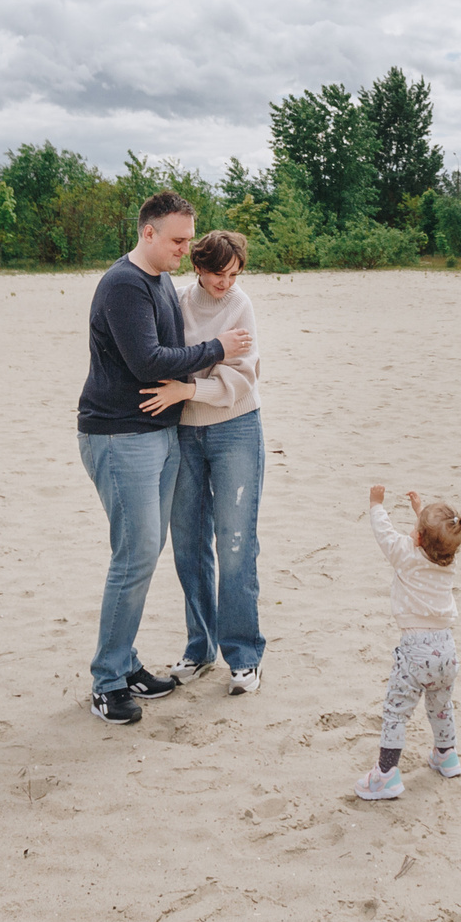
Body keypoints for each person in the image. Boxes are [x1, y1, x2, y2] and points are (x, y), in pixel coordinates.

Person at [76, 191, 252, 727]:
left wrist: (191, 384)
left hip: (157, 434)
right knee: (133, 557)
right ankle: (107, 681)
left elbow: (174, 367)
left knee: (146, 550)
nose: (184, 249)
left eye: (186, 239)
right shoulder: (124, 284)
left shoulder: (156, 281)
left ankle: (125, 663)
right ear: (148, 233)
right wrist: (219, 350)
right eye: (177, 240)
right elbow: (148, 361)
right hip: (119, 436)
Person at [145, 228, 267, 695]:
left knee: (235, 543)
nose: (227, 283)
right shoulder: (174, 301)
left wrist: (189, 386)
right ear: (198, 267)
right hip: (182, 432)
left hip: (237, 427)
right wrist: (198, 368)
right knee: (190, 545)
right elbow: (166, 359)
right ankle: (199, 650)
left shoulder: (242, 304)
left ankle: (244, 655)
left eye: (235, 273)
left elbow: (240, 378)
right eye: (218, 273)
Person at [354, 483, 461, 800]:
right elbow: (436, 538)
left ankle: (386, 775)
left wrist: (376, 504)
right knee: (441, 706)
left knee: (396, 712)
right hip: (447, 650)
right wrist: (420, 512)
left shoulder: (406, 556)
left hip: (415, 651)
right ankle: (447, 756)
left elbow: (385, 534)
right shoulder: (449, 562)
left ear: (417, 537)